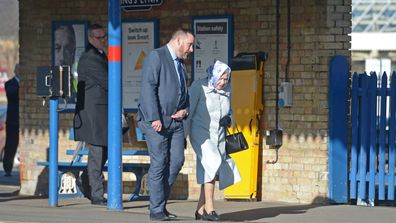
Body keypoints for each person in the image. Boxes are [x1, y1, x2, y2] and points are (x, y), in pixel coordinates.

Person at [137, 29, 194, 221]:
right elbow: (148, 88)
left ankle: (160, 203)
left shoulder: (180, 64)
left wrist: (185, 110)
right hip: (156, 122)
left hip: (176, 121)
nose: (191, 50)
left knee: (176, 161)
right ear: (178, 41)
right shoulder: (156, 56)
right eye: (189, 45)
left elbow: (184, 92)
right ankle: (156, 210)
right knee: (159, 162)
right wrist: (154, 118)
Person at [186, 60, 241, 221]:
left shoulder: (227, 89)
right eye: (221, 78)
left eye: (226, 79)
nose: (224, 82)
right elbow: (188, 113)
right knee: (213, 162)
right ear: (213, 75)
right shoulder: (198, 87)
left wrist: (229, 119)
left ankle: (199, 210)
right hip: (201, 134)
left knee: (209, 170)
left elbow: (230, 111)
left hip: (219, 135)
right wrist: (182, 137)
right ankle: (210, 209)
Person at [73, 24, 108, 205]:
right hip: (94, 114)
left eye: (104, 37)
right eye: (99, 38)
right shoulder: (90, 58)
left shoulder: (100, 55)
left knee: (105, 151)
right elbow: (108, 81)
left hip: (103, 112)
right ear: (90, 39)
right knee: (97, 153)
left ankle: (85, 179)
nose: (103, 40)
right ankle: (97, 194)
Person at [2, 64, 20, 177]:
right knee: (10, 145)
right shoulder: (9, 84)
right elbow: (13, 95)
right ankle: (7, 168)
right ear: (15, 71)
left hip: (23, 120)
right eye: (18, 69)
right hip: (13, 120)